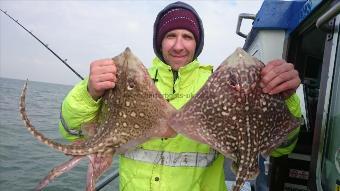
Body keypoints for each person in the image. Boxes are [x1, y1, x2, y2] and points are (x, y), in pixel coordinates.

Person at [58, 1, 301, 191]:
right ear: (159, 41)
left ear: (197, 42)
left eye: (187, 37)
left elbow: (279, 149)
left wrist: (284, 98)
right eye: (170, 36)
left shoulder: (218, 86)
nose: (178, 45)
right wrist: (89, 92)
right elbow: (73, 132)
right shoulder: (123, 81)